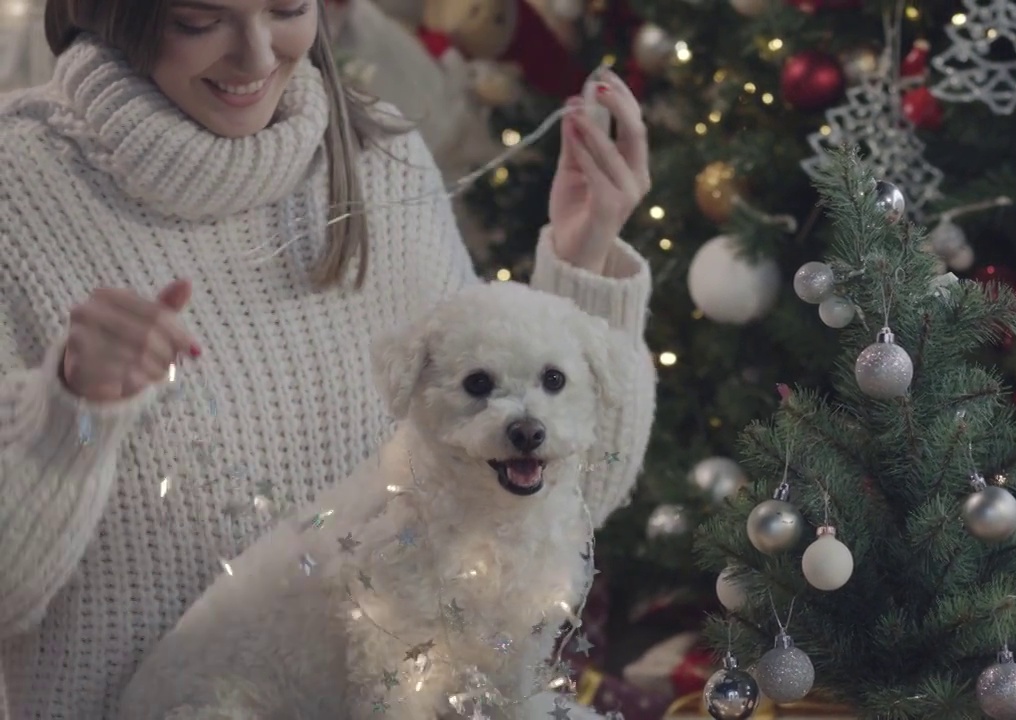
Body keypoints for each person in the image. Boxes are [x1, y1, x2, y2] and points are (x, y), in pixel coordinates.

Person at [0, 0, 657, 717]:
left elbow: (569, 498)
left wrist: (583, 254)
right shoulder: (20, 191)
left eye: (286, 8)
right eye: (199, 20)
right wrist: (71, 410)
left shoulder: (380, 157)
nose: (256, 58)